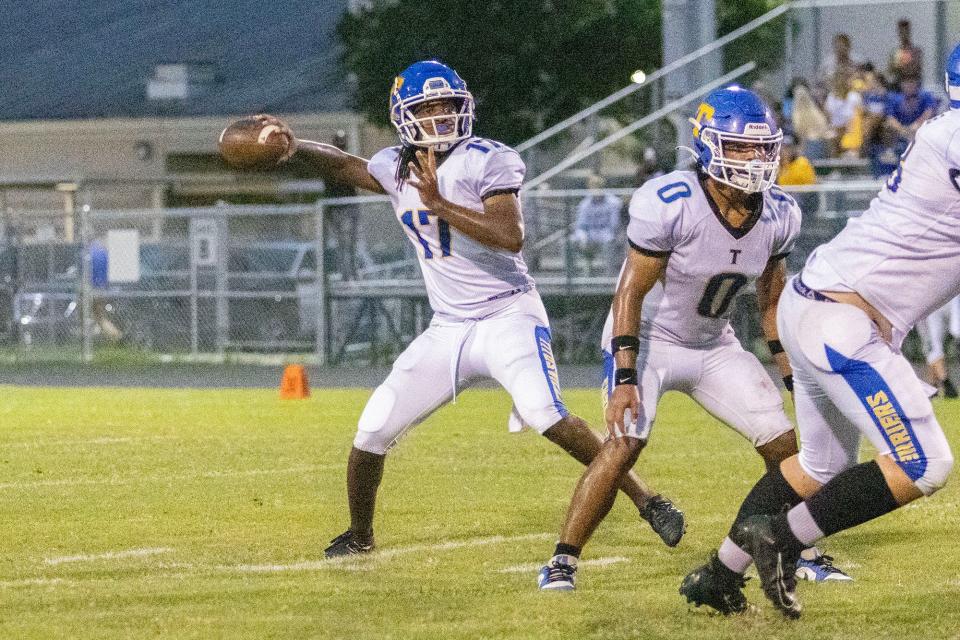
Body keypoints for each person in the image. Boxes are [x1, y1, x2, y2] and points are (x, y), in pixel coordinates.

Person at [238, 60, 684, 558]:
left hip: (508, 314)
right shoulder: (396, 164)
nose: (441, 115)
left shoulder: (486, 160)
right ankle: (360, 536)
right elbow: (347, 164)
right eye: (427, 107)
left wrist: (439, 204)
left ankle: (648, 501)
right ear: (403, 115)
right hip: (448, 326)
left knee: (548, 415)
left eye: (447, 104)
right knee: (373, 428)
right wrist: (297, 148)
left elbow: (510, 236)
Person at [680, 43, 960, 619]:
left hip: (818, 304)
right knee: (923, 465)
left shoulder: (944, 135)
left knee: (818, 467)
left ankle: (717, 575)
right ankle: (782, 540)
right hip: (841, 319)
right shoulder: (951, 137)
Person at [538, 86, 848, 592]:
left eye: (762, 148)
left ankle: (803, 550)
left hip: (714, 344)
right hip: (651, 340)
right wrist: (623, 376)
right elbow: (629, 294)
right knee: (623, 445)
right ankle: (562, 561)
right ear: (707, 147)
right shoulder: (671, 202)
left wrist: (793, 377)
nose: (755, 159)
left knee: (785, 444)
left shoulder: (778, 213)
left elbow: (771, 305)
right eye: (740, 147)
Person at [324, 130, 362, 279]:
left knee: (349, 243)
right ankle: (346, 275)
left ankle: (350, 274)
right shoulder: (328, 162)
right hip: (336, 207)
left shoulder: (348, 160)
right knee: (341, 243)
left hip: (347, 206)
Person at [571, 174, 622, 275]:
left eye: (598, 186)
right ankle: (573, 279)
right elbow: (581, 226)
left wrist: (606, 236)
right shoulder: (585, 204)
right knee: (569, 242)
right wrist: (583, 236)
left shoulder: (613, 202)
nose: (596, 190)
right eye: (593, 187)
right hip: (590, 235)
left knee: (609, 241)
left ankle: (609, 277)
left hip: (607, 234)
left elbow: (614, 225)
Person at [916, 297, 960, 398]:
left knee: (934, 345)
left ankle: (934, 385)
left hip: (946, 298)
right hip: (928, 303)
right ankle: (943, 382)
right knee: (932, 345)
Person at [888, 19, 923, 90]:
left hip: (913, 84)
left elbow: (916, 69)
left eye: (906, 31)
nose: (903, 35)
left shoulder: (915, 51)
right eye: (901, 32)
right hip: (899, 84)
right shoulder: (895, 52)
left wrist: (900, 67)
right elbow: (890, 70)